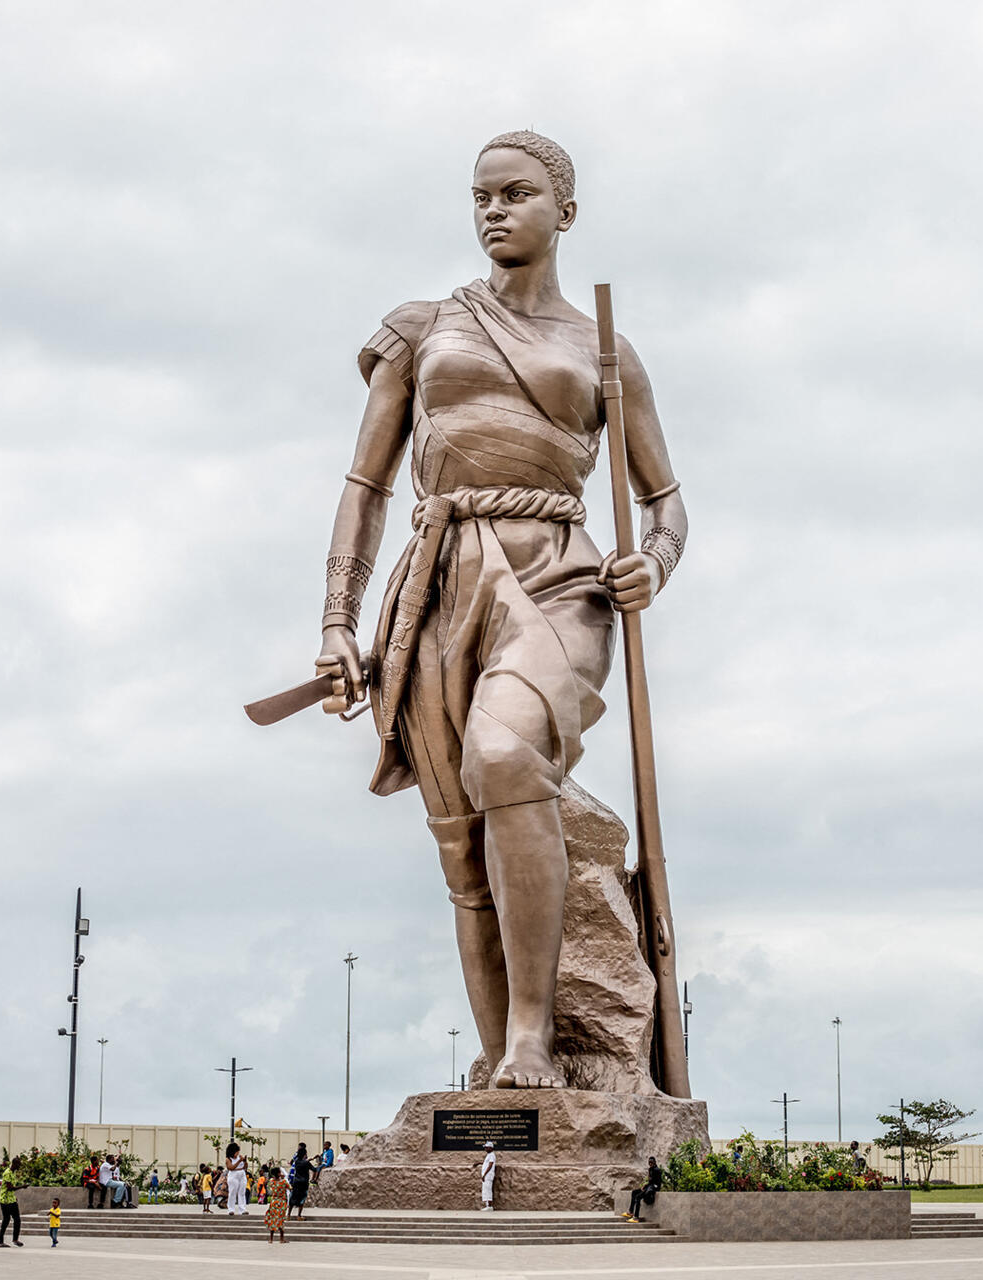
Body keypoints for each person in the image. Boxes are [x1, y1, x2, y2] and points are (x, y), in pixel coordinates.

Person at [314, 130, 686, 1091]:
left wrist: (656, 560)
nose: (492, 210)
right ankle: (494, 1060)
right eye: (480, 195)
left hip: (560, 573)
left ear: (564, 210)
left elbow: (664, 500)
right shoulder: (422, 327)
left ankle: (532, 1037)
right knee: (460, 843)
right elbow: (366, 484)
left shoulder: (604, 350)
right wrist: (336, 623)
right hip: (438, 581)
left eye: (516, 193)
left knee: (505, 755)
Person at [622, 1157, 662, 1222]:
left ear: (655, 1162)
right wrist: (645, 1185)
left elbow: (656, 1183)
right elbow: (650, 1181)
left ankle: (636, 1217)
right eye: (649, 1162)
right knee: (634, 1192)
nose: (650, 1164)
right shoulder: (650, 1169)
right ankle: (631, 1212)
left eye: (652, 1162)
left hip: (652, 1189)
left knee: (638, 1197)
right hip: (649, 1187)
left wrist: (650, 1188)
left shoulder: (657, 1170)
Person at [0, 1156, 23, 1247]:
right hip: (5, 1200)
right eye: (18, 1164)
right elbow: (10, 1188)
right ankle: (0, 1241)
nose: (19, 1167)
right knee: (6, 1220)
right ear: (14, 1164)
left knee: (17, 1219)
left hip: (11, 1199)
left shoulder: (13, 1172)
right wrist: (22, 1187)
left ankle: (15, 1239)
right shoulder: (7, 1173)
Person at [288, 1144, 315, 1220]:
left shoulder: (296, 1162)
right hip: (304, 1183)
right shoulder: (306, 1163)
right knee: (302, 1199)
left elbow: (292, 1162)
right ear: (304, 1154)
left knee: (292, 1198)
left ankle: (288, 1215)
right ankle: (299, 1215)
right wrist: (313, 1178)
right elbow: (314, 1170)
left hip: (296, 1182)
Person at [265, 1166, 288, 1244]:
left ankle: (271, 1239)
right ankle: (281, 1239)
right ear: (278, 1173)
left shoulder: (271, 1181)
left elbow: (271, 1186)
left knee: (273, 1219)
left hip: (274, 1202)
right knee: (280, 1219)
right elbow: (290, 1188)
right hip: (282, 1202)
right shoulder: (284, 1182)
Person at [224, 1142, 249, 1215]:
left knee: (242, 1192)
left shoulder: (240, 1157)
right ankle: (231, 1209)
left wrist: (244, 1161)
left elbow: (245, 1167)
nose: (238, 1153)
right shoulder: (228, 1159)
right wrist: (239, 1161)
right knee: (232, 1192)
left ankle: (242, 1209)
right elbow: (231, 1168)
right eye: (236, 1152)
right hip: (233, 1175)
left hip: (241, 1174)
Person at [480, 1141, 497, 1211]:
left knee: (488, 1190)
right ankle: (487, 1205)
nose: (485, 1149)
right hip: (486, 1176)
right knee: (485, 1190)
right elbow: (486, 1163)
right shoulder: (489, 1155)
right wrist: (479, 1163)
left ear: (491, 1148)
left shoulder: (492, 1155)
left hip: (488, 1176)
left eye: (486, 1148)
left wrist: (484, 1175)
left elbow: (490, 1165)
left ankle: (489, 1206)